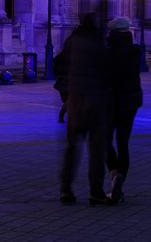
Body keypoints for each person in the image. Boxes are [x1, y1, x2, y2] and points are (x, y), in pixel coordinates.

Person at [58, 12, 112, 206]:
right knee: (96, 149)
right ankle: (95, 191)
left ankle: (66, 189)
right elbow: (107, 70)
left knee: (72, 147)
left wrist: (67, 90)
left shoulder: (72, 41)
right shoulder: (97, 43)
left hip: (75, 101)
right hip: (96, 101)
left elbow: (58, 64)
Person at [105, 17, 142, 205]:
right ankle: (121, 175)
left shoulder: (107, 52)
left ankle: (113, 173)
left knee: (105, 139)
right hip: (131, 100)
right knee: (123, 142)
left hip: (112, 100)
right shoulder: (135, 51)